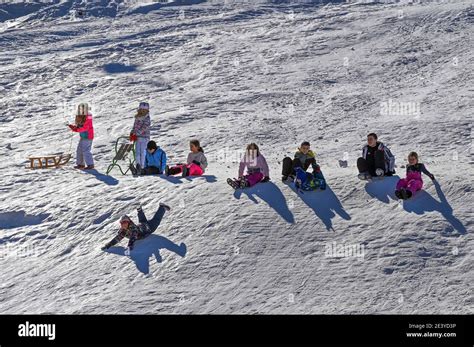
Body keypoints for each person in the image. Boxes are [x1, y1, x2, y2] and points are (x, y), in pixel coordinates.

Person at [101, 203, 170, 253]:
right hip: (143, 226)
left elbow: (133, 236)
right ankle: (139, 210)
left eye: (125, 223)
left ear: (128, 222)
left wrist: (130, 246)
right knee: (142, 221)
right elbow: (117, 238)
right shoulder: (124, 230)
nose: (123, 225)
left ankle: (162, 207)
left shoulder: (132, 229)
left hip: (149, 228)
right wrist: (108, 245)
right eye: (122, 223)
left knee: (156, 220)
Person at [68, 103, 95, 170]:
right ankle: (80, 164)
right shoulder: (81, 116)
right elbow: (80, 126)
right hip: (83, 136)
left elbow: (86, 127)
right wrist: (74, 127)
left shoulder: (88, 116)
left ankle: (90, 164)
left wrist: (76, 129)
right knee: (79, 150)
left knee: (86, 150)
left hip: (88, 136)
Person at [130, 102, 151, 171]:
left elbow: (144, 127)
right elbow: (135, 126)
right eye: (141, 110)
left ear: (147, 111)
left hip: (144, 138)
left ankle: (143, 167)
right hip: (137, 138)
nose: (142, 111)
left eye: (144, 110)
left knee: (143, 152)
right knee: (137, 153)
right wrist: (132, 132)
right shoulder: (137, 117)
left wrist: (136, 133)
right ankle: (138, 166)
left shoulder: (147, 118)